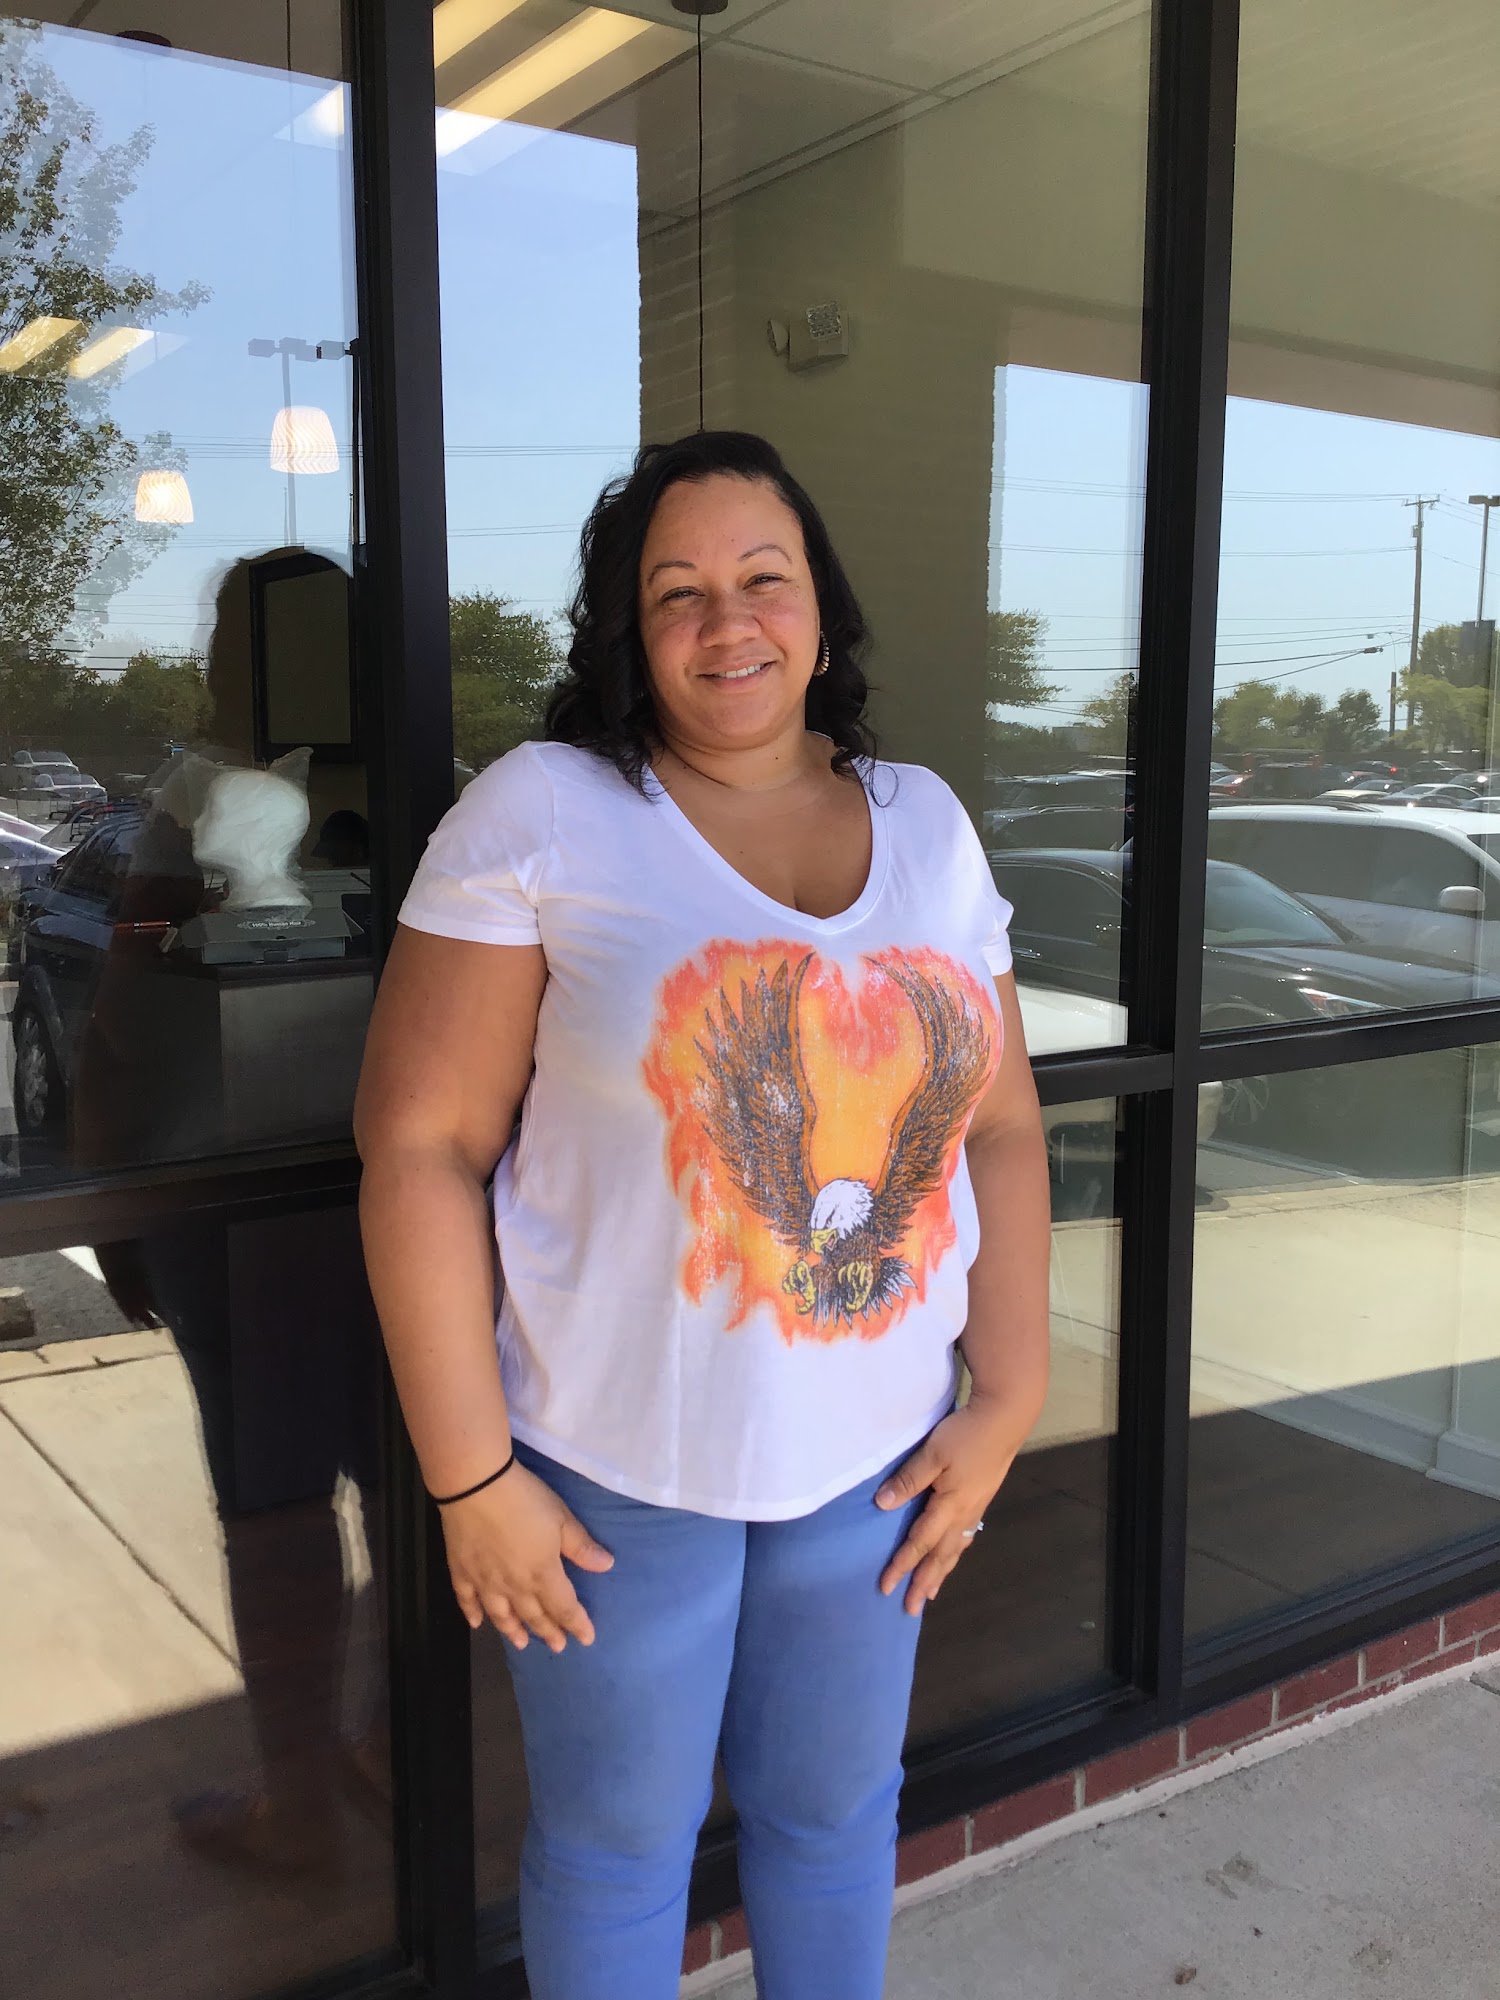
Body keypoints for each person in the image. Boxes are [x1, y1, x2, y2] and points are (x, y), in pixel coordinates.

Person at [355, 429, 1052, 2000]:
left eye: (762, 578)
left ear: (820, 607)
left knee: (834, 1817)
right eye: (677, 592)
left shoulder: (926, 823)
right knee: (616, 1850)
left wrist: (1009, 1397)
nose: (726, 622)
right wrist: (471, 1479)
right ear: (628, 628)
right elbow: (418, 1148)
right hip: (615, 1475)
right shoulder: (546, 812)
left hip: (877, 1466)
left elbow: (1002, 1124)